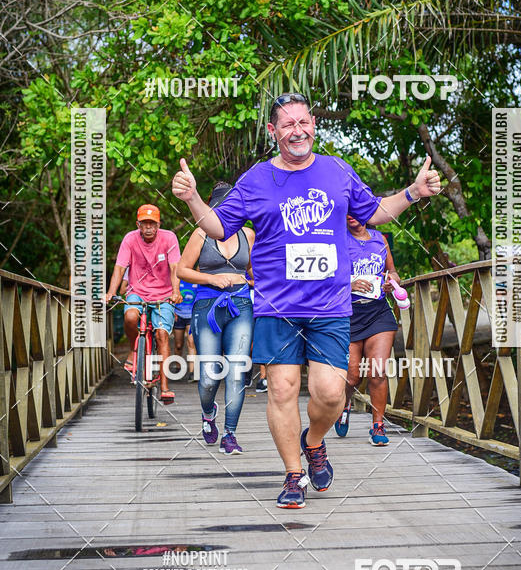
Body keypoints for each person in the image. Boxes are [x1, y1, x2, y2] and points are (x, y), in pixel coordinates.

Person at [172, 93, 441, 506]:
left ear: (313, 124)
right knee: (281, 389)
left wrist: (414, 191)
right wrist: (192, 199)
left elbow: (375, 213)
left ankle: (314, 441)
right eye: (287, 125)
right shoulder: (257, 179)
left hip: (330, 307)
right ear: (273, 131)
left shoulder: (336, 170)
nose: (297, 131)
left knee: (331, 393)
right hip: (277, 307)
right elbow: (218, 227)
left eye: (304, 122)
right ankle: (293, 474)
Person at [177, 182, 255, 455]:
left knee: (236, 372)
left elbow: (255, 272)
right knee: (210, 376)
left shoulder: (248, 234)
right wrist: (212, 278)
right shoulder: (201, 234)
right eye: (219, 208)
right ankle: (208, 413)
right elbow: (182, 270)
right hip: (207, 305)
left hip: (242, 305)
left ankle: (230, 434)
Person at [335, 216, 402, 445]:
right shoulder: (337, 240)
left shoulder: (379, 239)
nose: (352, 216)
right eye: (348, 212)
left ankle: (378, 425)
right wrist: (349, 283)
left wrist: (390, 282)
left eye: (357, 211)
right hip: (348, 313)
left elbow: (393, 272)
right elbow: (326, 277)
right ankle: (344, 404)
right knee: (353, 375)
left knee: (377, 371)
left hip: (378, 312)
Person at [105, 204, 182, 403]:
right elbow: (119, 269)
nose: (148, 228)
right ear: (137, 224)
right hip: (136, 292)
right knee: (130, 316)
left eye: (152, 223)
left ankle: (164, 386)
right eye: (144, 223)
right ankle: (134, 349)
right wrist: (110, 293)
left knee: (162, 335)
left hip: (163, 294)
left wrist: (175, 292)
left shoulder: (169, 238)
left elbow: (175, 269)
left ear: (159, 224)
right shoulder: (130, 239)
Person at [173, 279, 198, 381]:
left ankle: (192, 372)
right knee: (178, 345)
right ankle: (178, 367)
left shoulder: (197, 279)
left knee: (191, 342)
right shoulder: (176, 280)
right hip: (178, 314)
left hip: (191, 315)